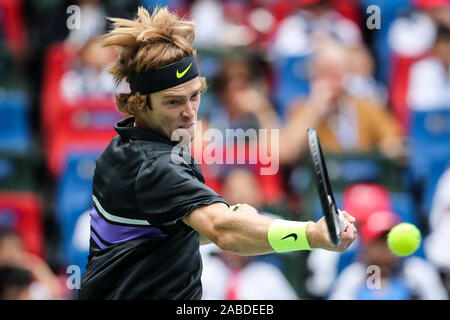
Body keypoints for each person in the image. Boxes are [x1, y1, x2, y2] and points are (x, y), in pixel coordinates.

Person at [78, 7, 356, 300]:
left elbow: (169, 235)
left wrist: (236, 220)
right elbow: (224, 231)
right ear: (138, 103)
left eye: (194, 96)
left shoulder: (122, 148)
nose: (189, 113)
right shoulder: (155, 166)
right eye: (173, 102)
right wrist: (311, 234)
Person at [329, 210, 448, 300]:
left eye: (388, 241)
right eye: (378, 241)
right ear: (367, 246)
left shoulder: (419, 272)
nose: (385, 247)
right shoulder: (353, 276)